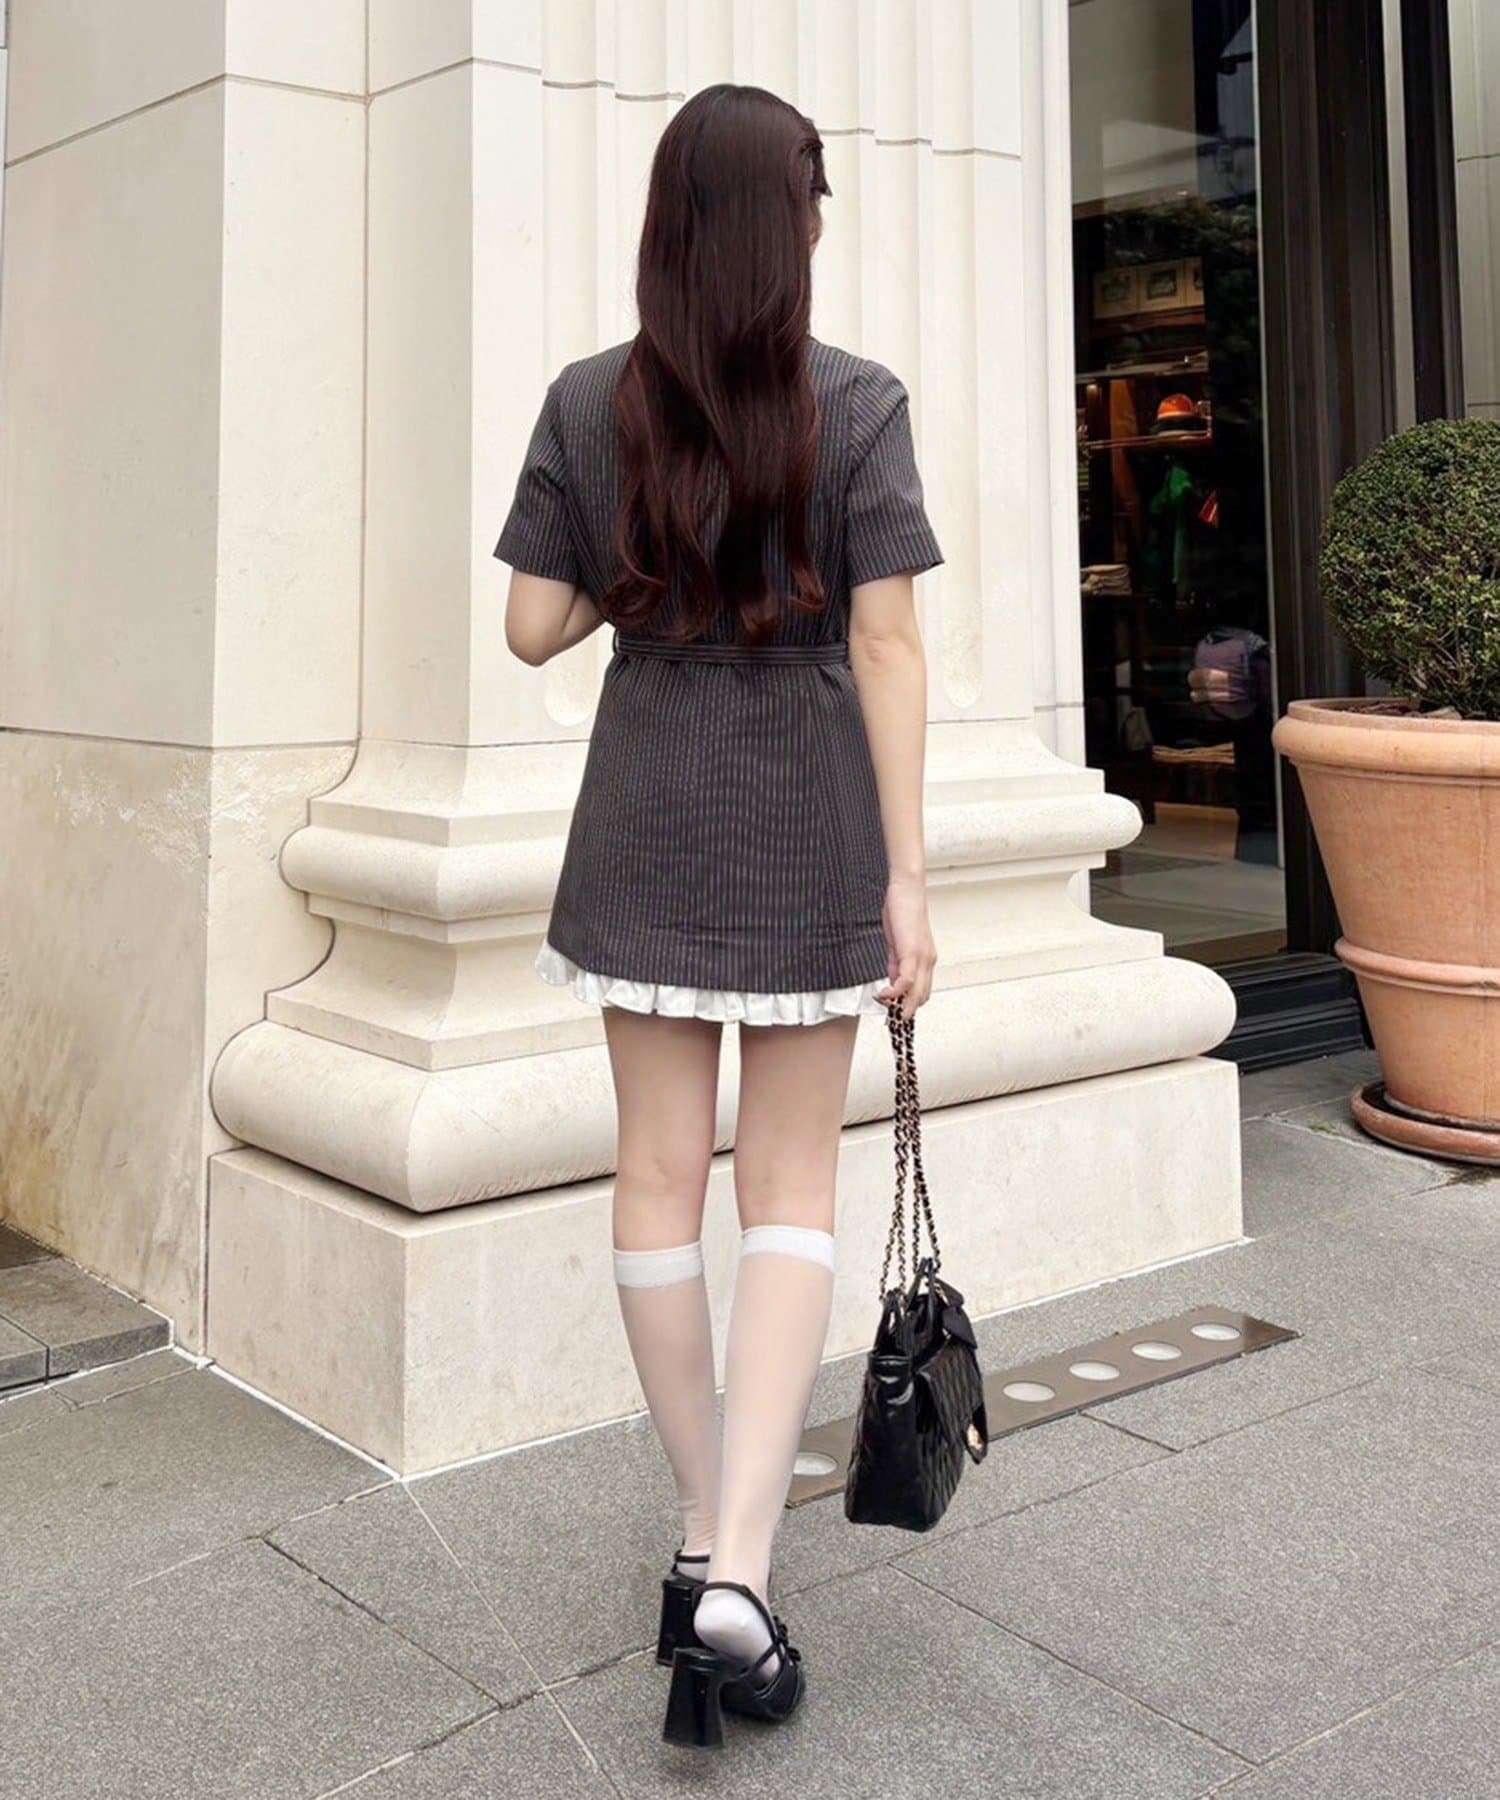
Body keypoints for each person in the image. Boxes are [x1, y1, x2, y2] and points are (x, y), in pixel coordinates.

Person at [495, 82, 942, 1748]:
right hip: (807, 816)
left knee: (657, 1181)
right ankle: (744, 1563)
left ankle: (703, 1535)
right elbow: (887, 645)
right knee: (792, 1189)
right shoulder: (859, 403)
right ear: (787, 227)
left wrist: (638, 544)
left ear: (670, 230)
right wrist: (909, 874)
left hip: (647, 814)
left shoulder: (589, 401)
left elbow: (533, 628)